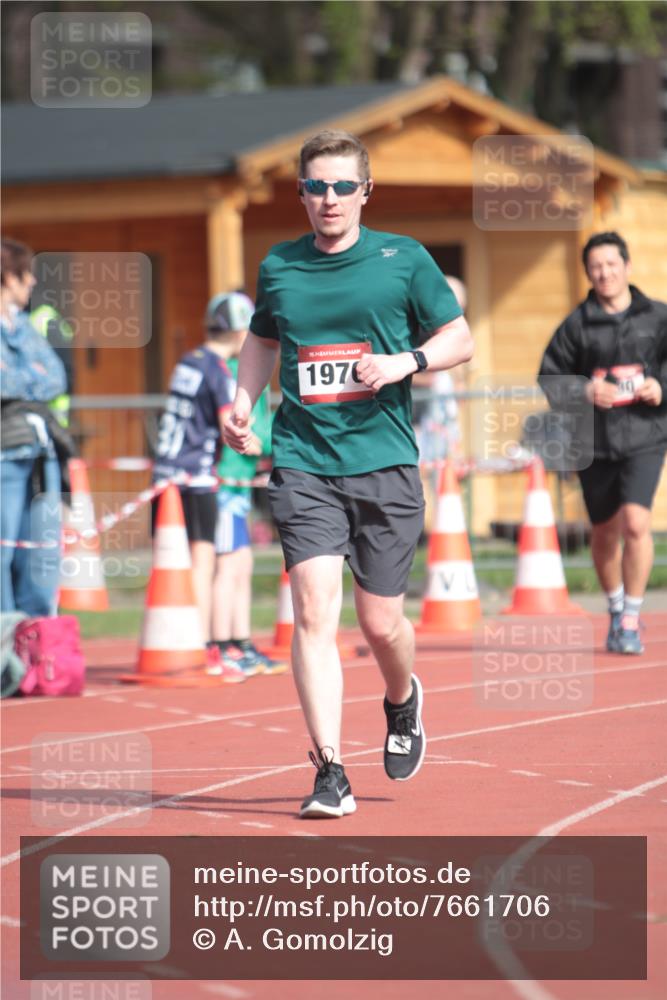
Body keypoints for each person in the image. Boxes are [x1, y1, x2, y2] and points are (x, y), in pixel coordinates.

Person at [224, 130, 473, 817]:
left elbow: (459, 338)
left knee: (380, 623)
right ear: (300, 193)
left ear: (365, 191)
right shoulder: (279, 265)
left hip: (384, 461)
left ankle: (402, 698)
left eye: (341, 186)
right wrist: (243, 402)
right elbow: (262, 339)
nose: (328, 199)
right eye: (315, 186)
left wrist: (404, 362)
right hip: (303, 461)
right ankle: (329, 770)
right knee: (311, 612)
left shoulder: (403, 258)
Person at [538, 231, 666, 655]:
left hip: (646, 437)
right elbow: (549, 377)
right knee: (605, 532)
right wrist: (585, 391)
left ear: (627, 266)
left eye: (611, 264)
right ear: (588, 274)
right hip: (592, 442)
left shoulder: (657, 317)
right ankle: (614, 606)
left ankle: (631, 617)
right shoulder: (577, 324)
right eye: (596, 267)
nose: (604, 273)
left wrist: (660, 386)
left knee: (636, 523)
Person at [152, 296, 242, 682]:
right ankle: (203, 646)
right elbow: (229, 425)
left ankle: (173, 643)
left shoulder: (187, 361)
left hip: (165, 473)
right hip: (196, 476)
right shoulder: (219, 371)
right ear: (239, 332)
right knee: (202, 564)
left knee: (173, 563)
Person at [204, 292, 287, 678]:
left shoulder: (236, 371)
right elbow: (257, 433)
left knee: (242, 563)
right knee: (228, 566)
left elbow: (262, 434)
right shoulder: (234, 374)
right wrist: (280, 441)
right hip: (225, 483)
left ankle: (240, 642)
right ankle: (221, 645)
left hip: (238, 484)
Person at [1, 238, 67, 616]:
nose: (32, 283)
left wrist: (17, 380)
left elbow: (55, 378)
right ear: (10, 277)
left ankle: (34, 637)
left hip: (40, 453)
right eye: (27, 275)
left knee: (40, 555)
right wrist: (30, 377)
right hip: (5, 454)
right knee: (4, 550)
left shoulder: (25, 326)